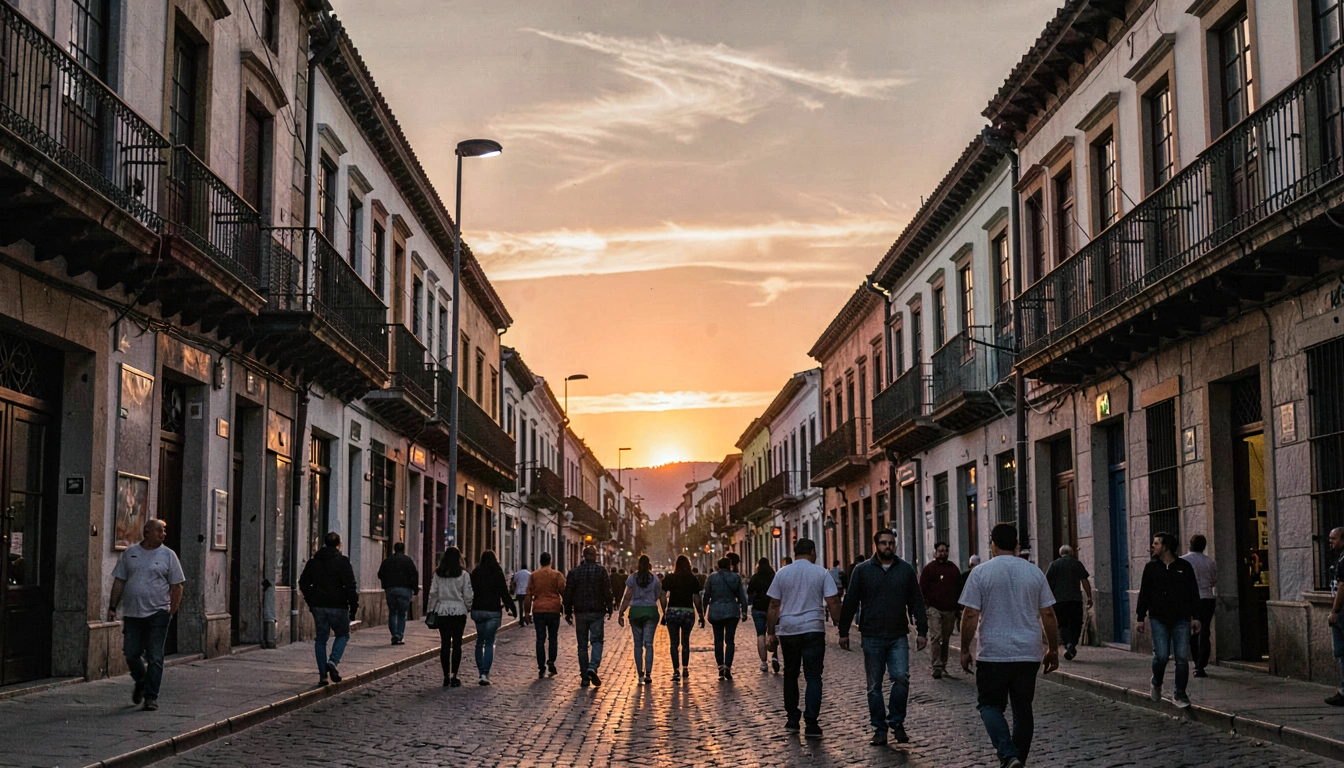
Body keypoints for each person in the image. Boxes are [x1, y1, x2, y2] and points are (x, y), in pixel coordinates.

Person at [959, 524, 1060, 768]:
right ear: (1017, 545)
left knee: (989, 705)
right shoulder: (1034, 572)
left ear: (992, 544)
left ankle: (1008, 753)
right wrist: (1053, 649)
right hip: (1028, 652)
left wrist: (964, 649)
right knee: (1023, 710)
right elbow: (1047, 613)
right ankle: (1018, 760)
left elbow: (970, 615)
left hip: (993, 653)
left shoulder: (981, 573)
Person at [840, 529, 928, 746]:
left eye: (891, 543)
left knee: (901, 677)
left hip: (898, 634)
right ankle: (879, 728)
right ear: (876, 545)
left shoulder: (905, 570)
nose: (888, 546)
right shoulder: (862, 571)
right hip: (872, 635)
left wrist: (922, 631)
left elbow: (916, 600)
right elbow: (850, 601)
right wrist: (843, 632)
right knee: (874, 686)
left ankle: (896, 721)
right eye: (884, 543)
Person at [766, 538, 841, 740]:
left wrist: (770, 632)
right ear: (813, 551)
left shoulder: (782, 573)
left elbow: (774, 604)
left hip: (788, 630)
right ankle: (811, 723)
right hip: (813, 629)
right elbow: (833, 601)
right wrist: (840, 625)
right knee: (813, 676)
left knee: (790, 674)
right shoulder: (821, 573)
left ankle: (792, 719)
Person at [107, 519, 185, 711]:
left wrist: (171, 611)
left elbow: (178, 586)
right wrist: (112, 606)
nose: (163, 534)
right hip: (133, 612)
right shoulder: (130, 553)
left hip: (158, 612)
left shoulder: (168, 555)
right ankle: (141, 681)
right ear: (146, 532)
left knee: (155, 656)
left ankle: (151, 697)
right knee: (132, 653)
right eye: (160, 531)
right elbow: (119, 581)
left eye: (164, 531)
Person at [1136, 532, 1202, 709]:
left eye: (1156, 543)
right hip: (1158, 618)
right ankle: (1156, 681)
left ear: (1165, 547)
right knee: (1162, 656)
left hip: (1182, 618)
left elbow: (1193, 592)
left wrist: (1196, 617)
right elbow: (1144, 593)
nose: (1153, 546)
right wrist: (1140, 617)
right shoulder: (1151, 568)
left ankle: (1179, 693)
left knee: (1182, 657)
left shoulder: (1184, 567)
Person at [298, 531, 359, 689]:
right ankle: (332, 662)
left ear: (324, 544)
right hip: (338, 606)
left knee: (320, 639)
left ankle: (323, 675)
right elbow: (350, 586)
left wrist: (311, 600)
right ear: (339, 545)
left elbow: (303, 583)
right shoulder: (343, 562)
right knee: (343, 635)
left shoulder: (314, 562)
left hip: (319, 606)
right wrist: (353, 607)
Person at [564, 546, 613, 688]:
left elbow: (568, 592)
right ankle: (592, 666)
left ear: (583, 555)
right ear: (596, 556)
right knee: (597, 641)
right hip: (597, 611)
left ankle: (585, 677)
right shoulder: (601, 571)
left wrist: (567, 611)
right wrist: (609, 606)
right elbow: (607, 590)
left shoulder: (574, 572)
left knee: (582, 646)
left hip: (580, 612)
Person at [617, 554, 666, 684]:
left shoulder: (632, 578)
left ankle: (640, 675)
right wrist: (664, 611)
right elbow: (660, 596)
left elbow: (627, 596)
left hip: (636, 612)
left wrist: (621, 612)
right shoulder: (655, 579)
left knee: (637, 645)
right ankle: (648, 674)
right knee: (648, 644)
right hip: (650, 611)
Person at [427, 547, 472, 687]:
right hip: (459, 611)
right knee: (457, 643)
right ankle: (454, 675)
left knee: (445, 643)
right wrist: (468, 607)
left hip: (442, 611)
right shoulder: (463, 574)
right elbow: (468, 594)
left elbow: (433, 593)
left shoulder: (438, 574)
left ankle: (445, 675)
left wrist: (430, 609)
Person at [469, 550, 516, 686]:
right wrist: (511, 607)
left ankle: (480, 672)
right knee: (489, 642)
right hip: (493, 611)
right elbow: (504, 592)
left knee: (480, 641)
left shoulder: (476, 572)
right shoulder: (497, 572)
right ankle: (485, 673)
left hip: (478, 610)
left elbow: (470, 589)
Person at [919, 541, 961, 679]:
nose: (943, 553)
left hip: (949, 609)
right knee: (936, 636)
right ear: (935, 553)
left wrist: (958, 608)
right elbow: (922, 588)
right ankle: (936, 666)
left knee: (946, 638)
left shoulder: (953, 569)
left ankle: (943, 665)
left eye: (945, 550)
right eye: (940, 551)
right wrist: (926, 605)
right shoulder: (929, 569)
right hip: (934, 608)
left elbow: (959, 588)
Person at [703, 556, 750, 680]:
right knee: (730, 641)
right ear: (730, 565)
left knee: (718, 640)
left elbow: (706, 595)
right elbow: (741, 596)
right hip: (731, 611)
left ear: (718, 565)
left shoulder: (712, 577)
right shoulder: (735, 577)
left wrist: (703, 612)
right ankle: (728, 666)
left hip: (716, 612)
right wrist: (744, 611)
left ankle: (720, 666)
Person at [1045, 545, 1093, 661]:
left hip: (1059, 600)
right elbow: (1084, 580)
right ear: (1071, 553)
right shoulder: (1076, 563)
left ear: (1060, 553)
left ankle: (1068, 644)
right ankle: (1072, 643)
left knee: (1063, 624)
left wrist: (1047, 600)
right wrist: (1089, 596)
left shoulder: (1054, 565)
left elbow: (1047, 583)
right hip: (1075, 599)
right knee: (1076, 623)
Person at [523, 552, 566, 679]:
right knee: (553, 637)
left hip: (539, 609)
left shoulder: (534, 576)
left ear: (540, 561)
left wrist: (526, 612)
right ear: (550, 561)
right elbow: (563, 591)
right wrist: (568, 608)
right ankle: (551, 660)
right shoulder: (557, 575)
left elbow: (528, 595)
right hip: (553, 609)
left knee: (540, 639)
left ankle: (541, 667)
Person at [661, 555, 704, 681]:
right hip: (688, 612)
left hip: (673, 612)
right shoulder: (692, 579)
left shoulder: (670, 578)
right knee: (685, 642)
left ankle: (675, 670)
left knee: (674, 643)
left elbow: (662, 595)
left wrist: (664, 611)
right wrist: (700, 614)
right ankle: (685, 668)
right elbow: (696, 598)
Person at [1181, 534, 1218, 678]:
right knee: (1205, 631)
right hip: (1208, 598)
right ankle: (1201, 665)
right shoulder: (1210, 562)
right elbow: (1214, 580)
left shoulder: (1183, 560)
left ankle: (1196, 661)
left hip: (1192, 599)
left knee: (1193, 631)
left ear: (1190, 544)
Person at [377, 542, 419, 646]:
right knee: (402, 614)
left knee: (392, 612)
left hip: (390, 589)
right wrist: (415, 588)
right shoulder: (408, 561)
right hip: (405, 589)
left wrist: (387, 583)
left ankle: (394, 634)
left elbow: (380, 574)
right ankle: (399, 635)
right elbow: (414, 574)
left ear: (394, 549)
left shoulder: (388, 560)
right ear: (403, 549)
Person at [748, 558, 782, 673]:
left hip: (758, 608)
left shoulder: (755, 578)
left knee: (760, 634)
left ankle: (763, 663)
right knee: (774, 631)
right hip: (772, 608)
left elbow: (749, 592)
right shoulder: (774, 577)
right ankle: (775, 656)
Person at [1325, 526, 1344, 706]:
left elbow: (1342, 587)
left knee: (1342, 651)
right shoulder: (1338, 558)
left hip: (1342, 611)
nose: (1330, 542)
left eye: (1334, 538)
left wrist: (1334, 611)